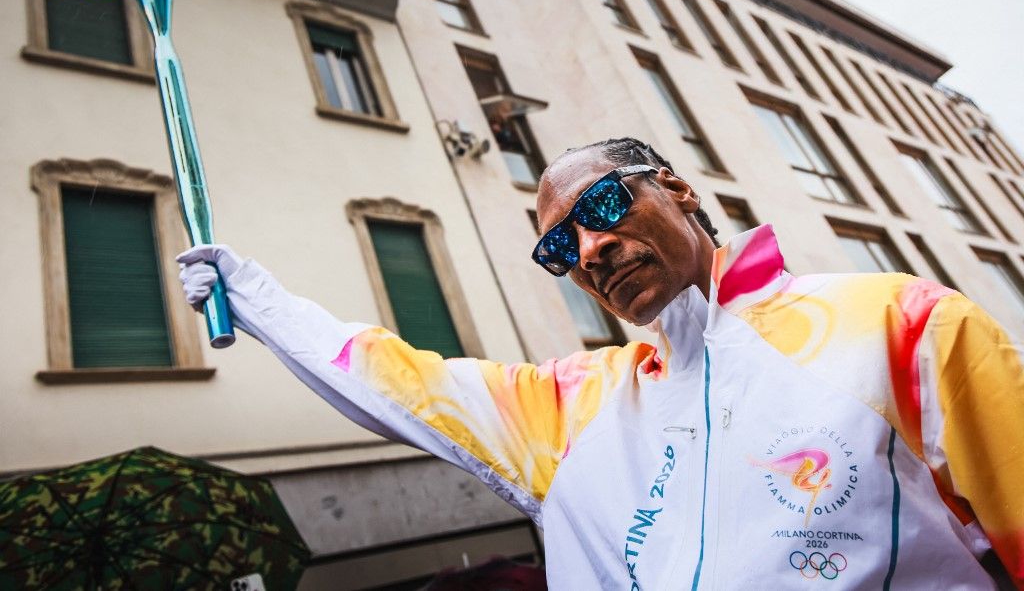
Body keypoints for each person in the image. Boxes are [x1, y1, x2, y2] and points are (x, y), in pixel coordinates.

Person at [179, 137, 1024, 589]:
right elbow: (403, 382)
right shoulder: (576, 408)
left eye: (606, 204)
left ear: (678, 191)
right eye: (560, 248)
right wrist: (255, 299)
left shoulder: (900, 322)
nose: (589, 249)